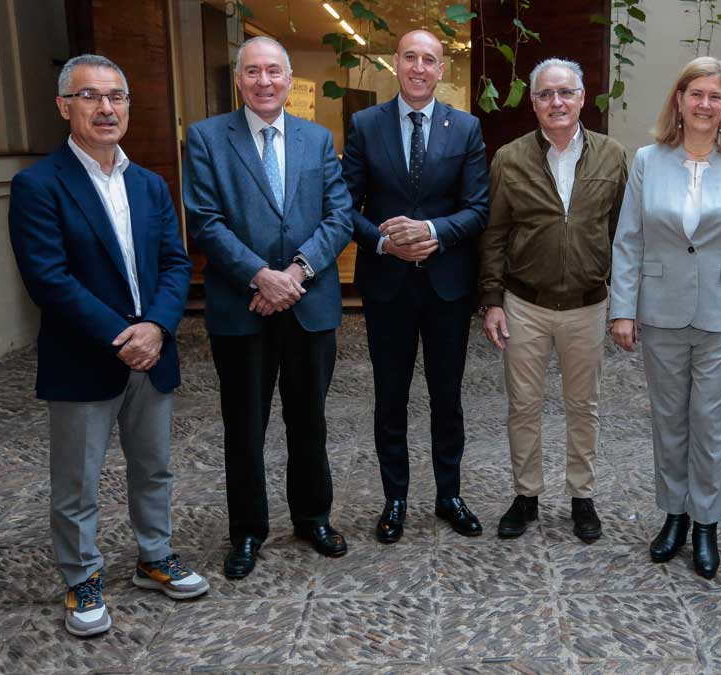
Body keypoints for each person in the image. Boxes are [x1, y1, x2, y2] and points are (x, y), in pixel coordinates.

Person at [9, 54, 206, 637]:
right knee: (78, 480)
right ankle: (82, 577)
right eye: (90, 96)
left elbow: (175, 262)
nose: (106, 107)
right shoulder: (38, 184)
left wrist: (158, 328)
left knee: (154, 469)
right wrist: (124, 335)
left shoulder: (149, 183)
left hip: (154, 352)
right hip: (85, 356)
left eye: (116, 96)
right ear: (63, 107)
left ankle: (154, 556)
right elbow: (48, 278)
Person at [183, 36, 354, 578]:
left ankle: (312, 518)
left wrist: (296, 274)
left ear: (288, 80)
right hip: (243, 308)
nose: (263, 81)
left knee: (310, 421)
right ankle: (248, 531)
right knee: (244, 426)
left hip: (308, 305)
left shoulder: (318, 139)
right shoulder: (208, 139)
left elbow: (340, 216)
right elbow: (205, 221)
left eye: (273, 72)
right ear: (239, 79)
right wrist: (260, 275)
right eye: (253, 72)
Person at [610, 56, 721, 579]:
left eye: (716, 95)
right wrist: (623, 309)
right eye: (695, 94)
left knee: (710, 423)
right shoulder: (647, 159)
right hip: (660, 311)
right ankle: (674, 516)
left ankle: (707, 523)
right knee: (668, 421)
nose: (705, 104)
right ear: (679, 101)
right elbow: (629, 238)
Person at [342, 30, 490, 543]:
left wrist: (430, 233)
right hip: (388, 286)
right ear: (396, 64)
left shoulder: (466, 127)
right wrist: (386, 243)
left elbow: (477, 209)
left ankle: (449, 494)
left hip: (447, 286)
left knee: (446, 396)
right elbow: (344, 207)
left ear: (441, 69)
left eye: (430, 60)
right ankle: (395, 498)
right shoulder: (365, 125)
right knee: (391, 397)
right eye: (411, 58)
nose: (420, 68)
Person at [479, 58, 628, 541]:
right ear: (534, 102)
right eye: (545, 94)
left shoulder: (612, 156)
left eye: (566, 93)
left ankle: (582, 497)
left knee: (584, 406)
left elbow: (626, 235)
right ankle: (526, 496)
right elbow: (495, 234)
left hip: (587, 305)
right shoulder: (509, 158)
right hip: (525, 304)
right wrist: (493, 300)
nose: (556, 102)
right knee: (523, 405)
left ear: (583, 98)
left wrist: (624, 304)